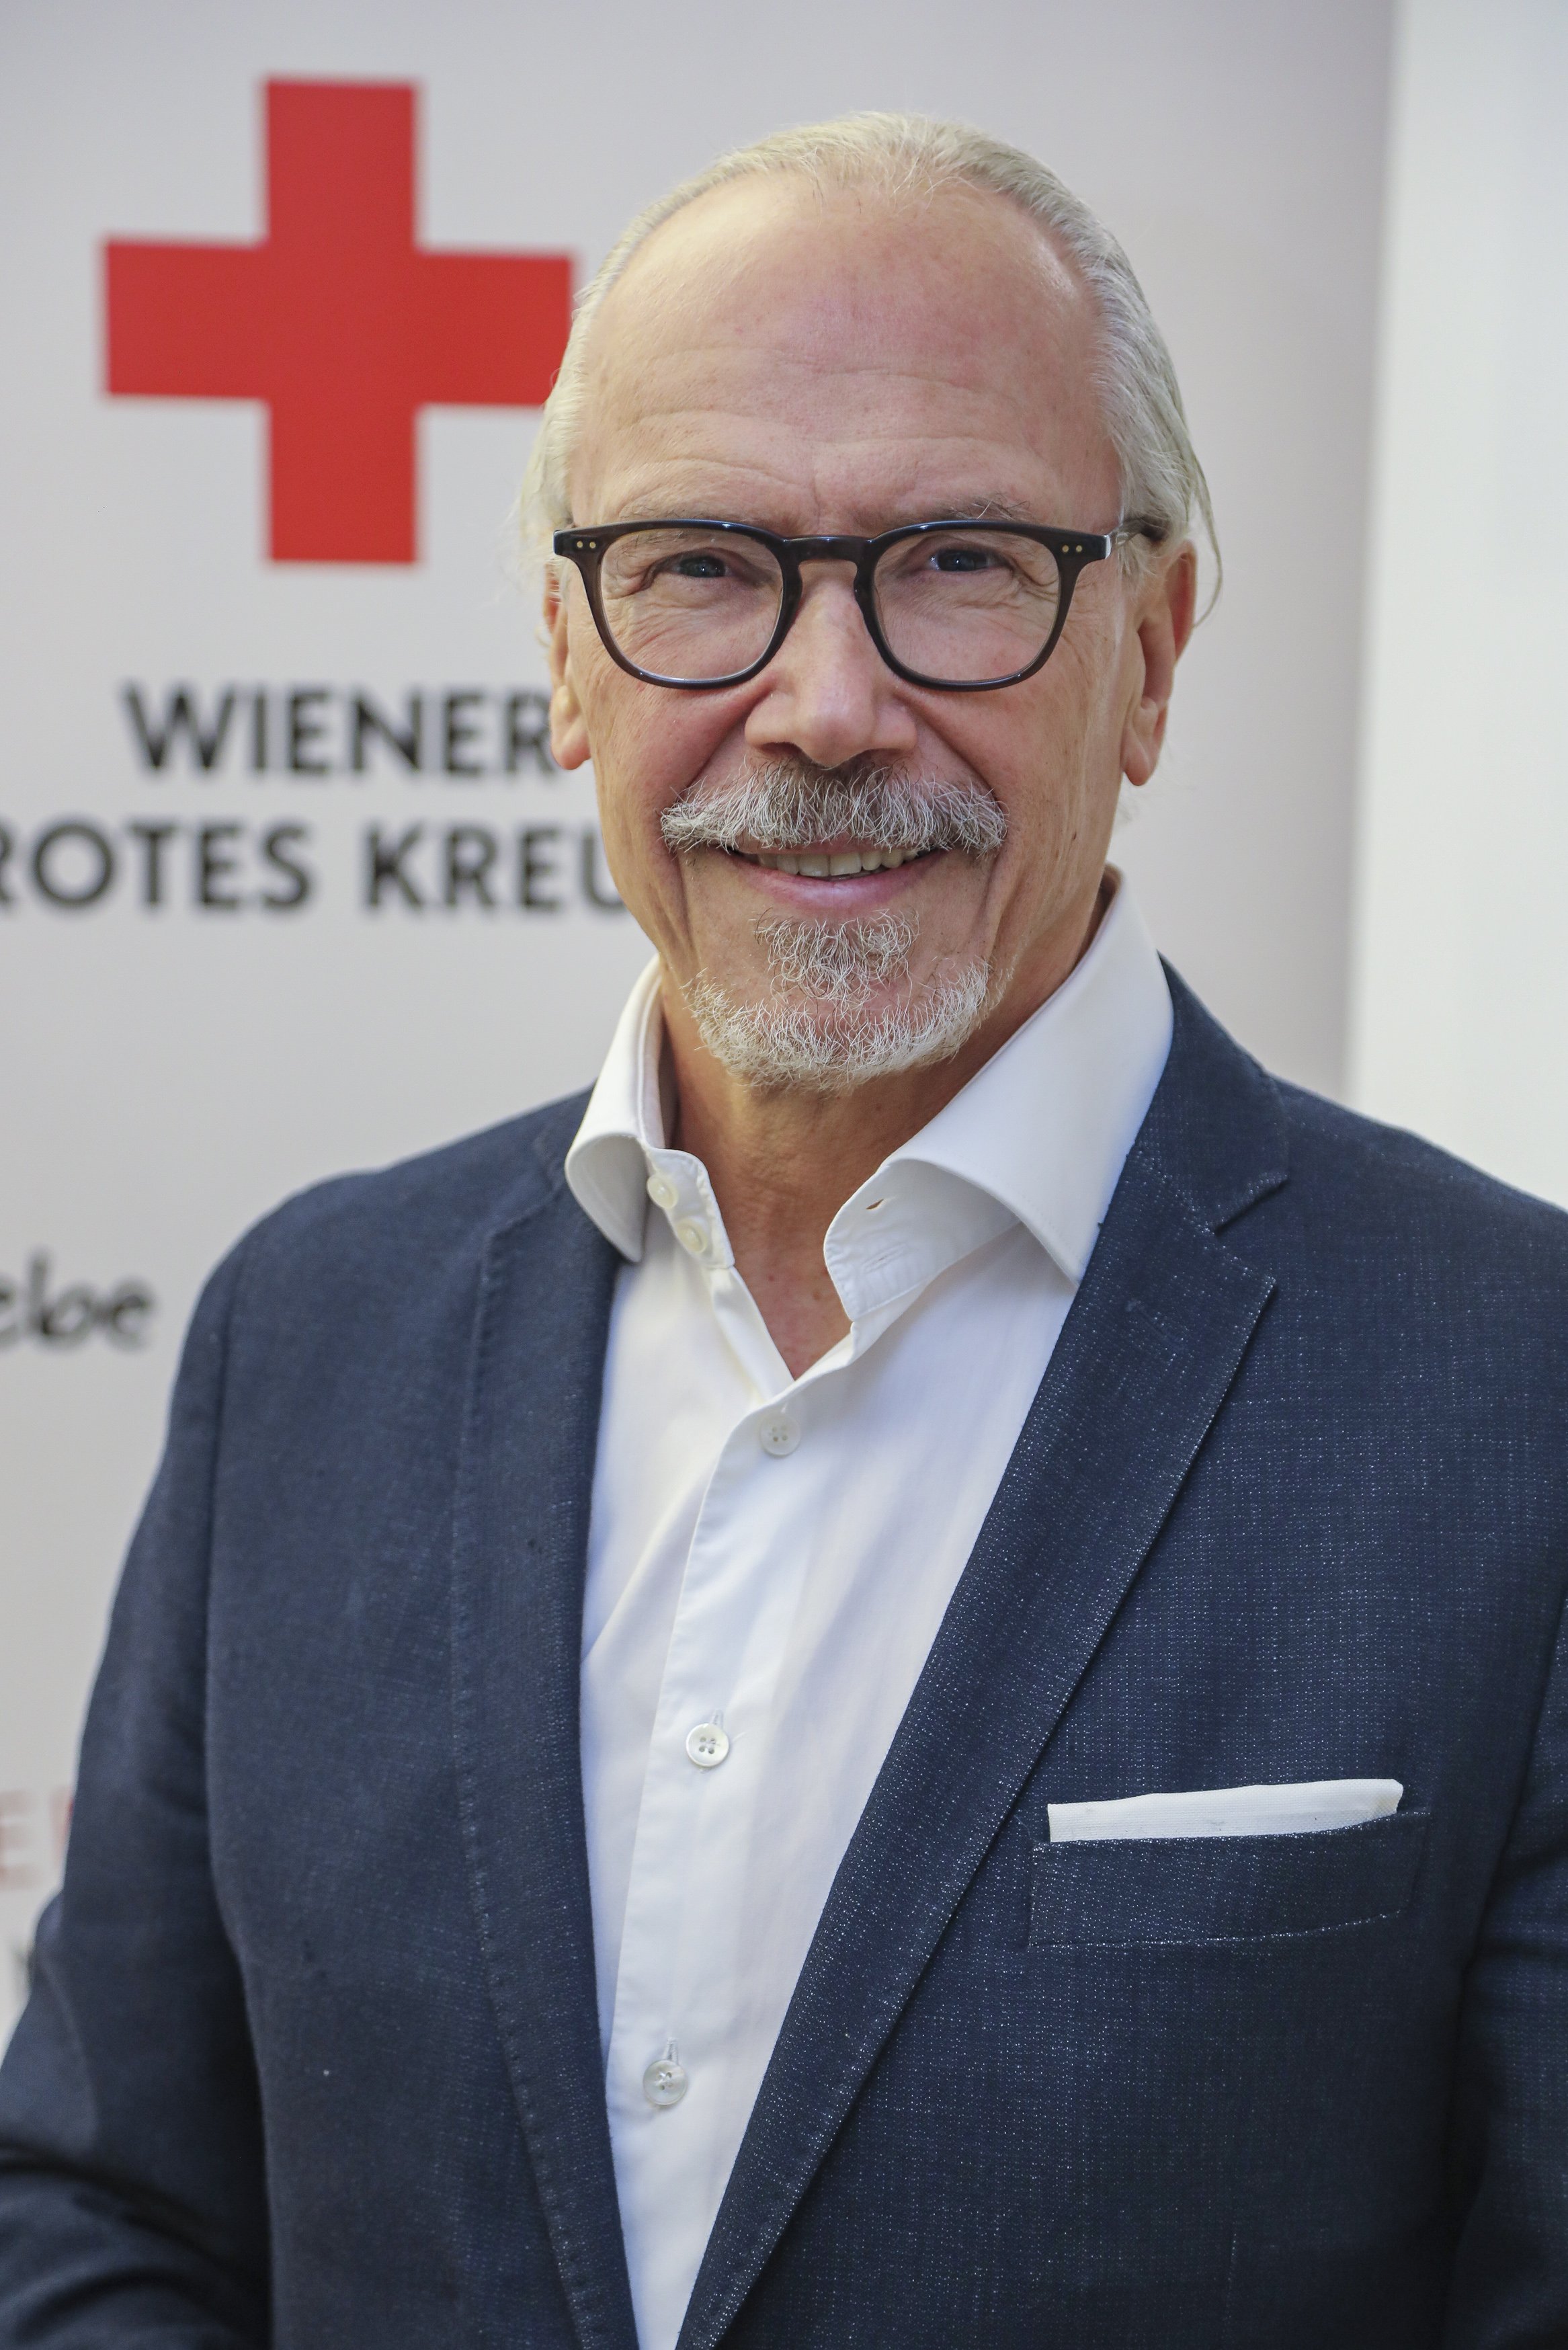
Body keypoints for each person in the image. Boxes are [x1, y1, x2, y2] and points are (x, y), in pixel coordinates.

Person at [2, 110, 1566, 2350]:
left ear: (1154, 650)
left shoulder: (1516, 1393)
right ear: (567, 656)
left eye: (961, 561)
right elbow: (102, 2208)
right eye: (702, 567)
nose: (826, 709)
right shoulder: (308, 1341)